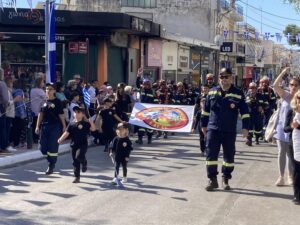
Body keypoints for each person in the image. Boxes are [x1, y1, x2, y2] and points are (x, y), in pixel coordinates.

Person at [201, 68, 250, 191]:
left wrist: (245, 127)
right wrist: (203, 125)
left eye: (226, 77)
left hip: (229, 130)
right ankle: (212, 180)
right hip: (213, 128)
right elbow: (206, 111)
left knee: (229, 156)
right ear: (219, 79)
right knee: (211, 154)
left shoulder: (238, 93)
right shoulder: (212, 92)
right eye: (222, 77)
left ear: (231, 78)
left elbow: (245, 112)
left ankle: (225, 178)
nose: (224, 79)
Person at [273, 67, 300, 186]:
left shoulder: (298, 99)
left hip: (293, 129)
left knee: (291, 154)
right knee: (281, 152)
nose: (293, 87)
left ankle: (290, 175)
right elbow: (275, 86)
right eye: (291, 84)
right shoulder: (286, 95)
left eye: (296, 85)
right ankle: (281, 176)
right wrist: (283, 73)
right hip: (281, 128)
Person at [58, 106, 96, 183]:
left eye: (78, 112)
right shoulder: (71, 124)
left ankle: (84, 163)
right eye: (75, 112)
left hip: (83, 144)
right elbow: (66, 133)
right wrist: (60, 139)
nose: (76, 113)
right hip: (73, 145)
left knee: (78, 156)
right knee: (75, 161)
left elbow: (93, 129)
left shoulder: (85, 123)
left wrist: (91, 122)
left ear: (82, 114)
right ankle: (77, 177)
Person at [35, 83, 66, 175]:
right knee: (42, 147)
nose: (48, 91)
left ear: (54, 91)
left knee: (52, 146)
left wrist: (64, 126)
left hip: (55, 126)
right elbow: (40, 115)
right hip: (44, 126)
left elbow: (61, 115)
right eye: (47, 89)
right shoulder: (43, 102)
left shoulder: (58, 102)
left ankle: (51, 165)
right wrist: (37, 126)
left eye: (50, 89)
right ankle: (50, 160)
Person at [284, 90, 300, 205]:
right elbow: (285, 128)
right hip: (293, 144)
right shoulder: (291, 111)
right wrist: (292, 126)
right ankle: (297, 195)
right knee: (296, 170)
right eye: (299, 97)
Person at [136, 79, 158, 145]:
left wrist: (155, 110)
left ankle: (149, 139)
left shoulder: (153, 92)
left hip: (150, 111)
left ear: (149, 85)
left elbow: (156, 101)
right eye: (144, 84)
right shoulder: (142, 90)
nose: (145, 85)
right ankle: (140, 139)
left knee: (149, 126)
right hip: (142, 110)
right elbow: (137, 84)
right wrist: (138, 76)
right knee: (141, 126)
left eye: (146, 84)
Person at [192, 84, 210, 156]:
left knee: (209, 136)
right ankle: (203, 150)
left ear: (208, 89)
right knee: (201, 136)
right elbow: (196, 107)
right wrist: (194, 127)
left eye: (206, 88)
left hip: (209, 121)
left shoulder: (211, 96)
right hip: (201, 121)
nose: (205, 89)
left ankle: (208, 148)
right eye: (203, 88)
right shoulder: (199, 97)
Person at [30, 77, 46, 144]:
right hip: (39, 110)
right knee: (39, 124)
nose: (43, 83)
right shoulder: (39, 91)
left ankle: (34, 138)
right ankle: (38, 138)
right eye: (42, 82)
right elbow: (46, 97)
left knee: (34, 124)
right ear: (39, 83)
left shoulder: (32, 90)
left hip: (33, 109)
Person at [4, 77, 17, 152]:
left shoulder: (9, 91)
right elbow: (8, 102)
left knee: (7, 130)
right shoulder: (7, 91)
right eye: (11, 82)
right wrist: (15, 100)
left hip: (9, 113)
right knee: (7, 130)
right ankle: (7, 145)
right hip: (8, 113)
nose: (12, 84)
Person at [0, 68, 9, 153]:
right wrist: (6, 105)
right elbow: (6, 99)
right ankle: (2, 147)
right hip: (1, 107)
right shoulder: (2, 84)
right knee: (2, 127)